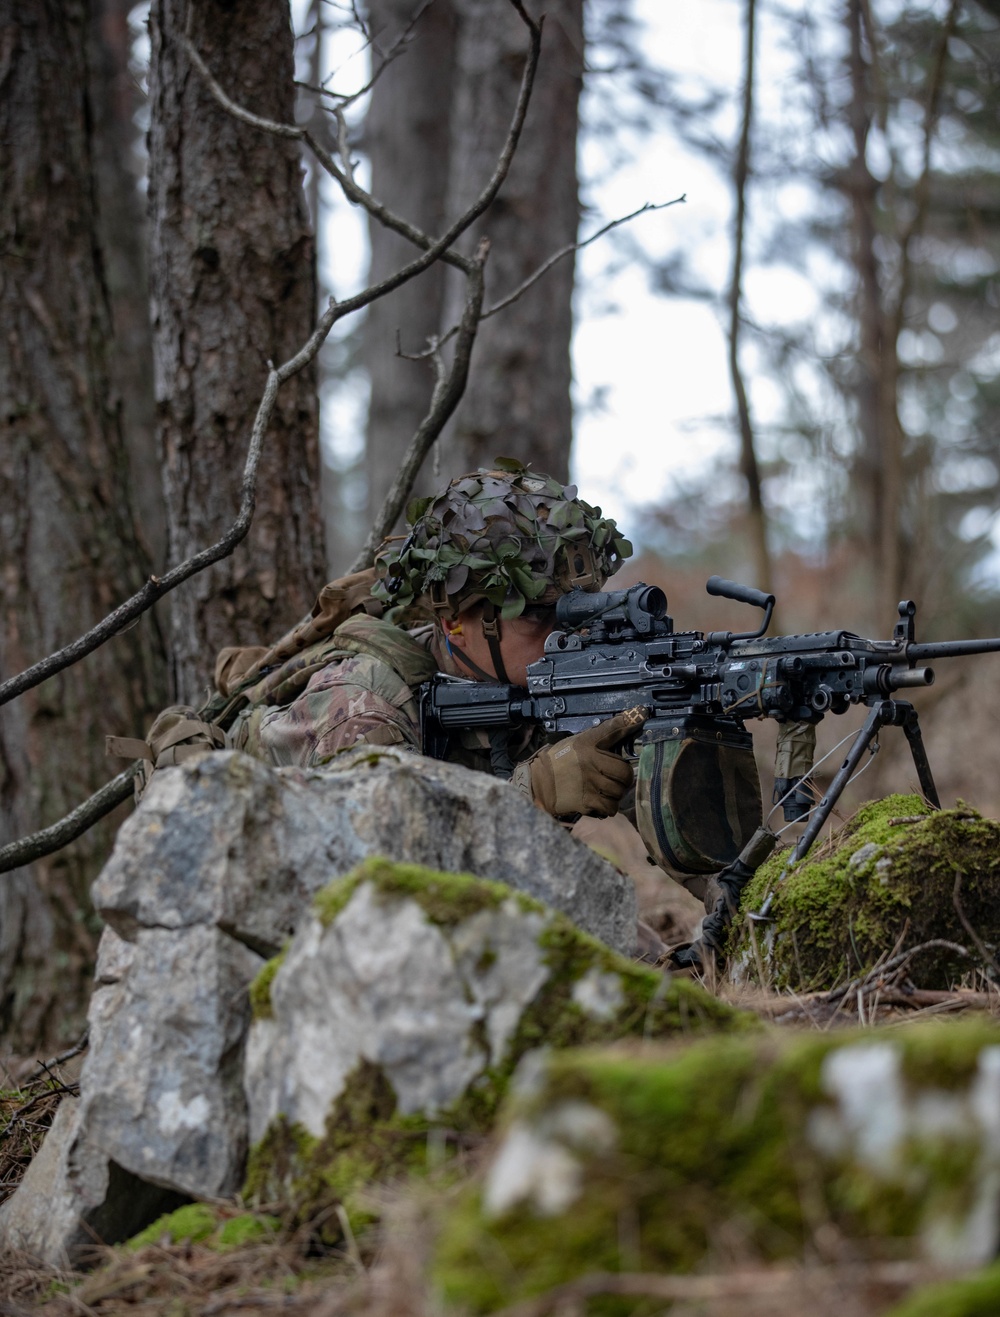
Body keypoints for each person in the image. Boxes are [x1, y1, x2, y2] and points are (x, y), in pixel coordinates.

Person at [225, 462, 647, 821]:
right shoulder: (360, 708)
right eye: (537, 614)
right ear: (453, 622)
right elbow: (374, 872)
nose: (569, 634)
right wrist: (532, 793)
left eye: (583, 609)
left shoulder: (549, 681)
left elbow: (680, 840)